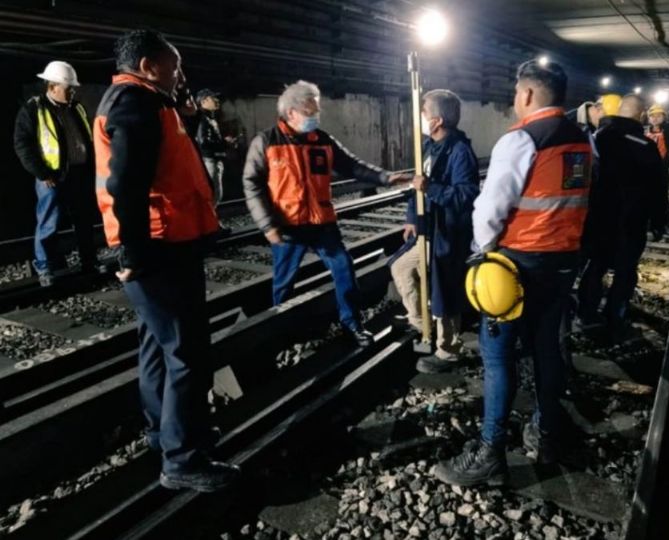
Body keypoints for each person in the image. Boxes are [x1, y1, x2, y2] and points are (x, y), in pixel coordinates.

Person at [433, 60, 592, 486]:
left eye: (515, 94)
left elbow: (488, 208)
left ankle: (490, 453)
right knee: (547, 349)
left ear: (527, 95)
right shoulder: (583, 141)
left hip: (517, 265)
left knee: (498, 357)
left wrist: (481, 252)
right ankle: (546, 435)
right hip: (562, 262)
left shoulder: (522, 139)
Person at [94, 29, 239, 492]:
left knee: (159, 348)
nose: (180, 75)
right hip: (159, 247)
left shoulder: (149, 102)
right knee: (187, 354)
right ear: (147, 65)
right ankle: (184, 459)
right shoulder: (133, 104)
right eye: (173, 65)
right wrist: (132, 251)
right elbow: (126, 185)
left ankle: (168, 435)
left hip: (167, 243)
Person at [243, 80, 411, 346]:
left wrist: (386, 177)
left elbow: (352, 166)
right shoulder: (266, 142)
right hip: (288, 227)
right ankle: (282, 337)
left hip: (321, 223)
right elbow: (251, 183)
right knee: (283, 284)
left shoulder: (322, 140)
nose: (315, 117)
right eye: (310, 112)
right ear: (291, 113)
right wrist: (267, 225)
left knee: (344, 269)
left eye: (316, 111)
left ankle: (352, 324)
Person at [388, 89, 480, 373]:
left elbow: (466, 196)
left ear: (437, 120)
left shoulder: (460, 152)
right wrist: (411, 217)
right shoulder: (429, 147)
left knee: (446, 288)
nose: (421, 117)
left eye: (424, 112)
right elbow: (416, 186)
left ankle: (448, 351)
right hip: (429, 230)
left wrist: (431, 188)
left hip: (448, 233)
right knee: (402, 268)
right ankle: (422, 322)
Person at [577, 95, 669, 339]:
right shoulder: (646, 147)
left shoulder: (597, 139)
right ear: (641, 116)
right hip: (632, 221)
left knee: (595, 265)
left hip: (597, 219)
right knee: (625, 271)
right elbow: (658, 189)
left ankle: (586, 313)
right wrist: (659, 221)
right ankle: (614, 318)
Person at [13, 60, 102, 285]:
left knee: (83, 220)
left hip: (79, 173)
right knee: (49, 221)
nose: (72, 91)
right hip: (51, 177)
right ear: (52, 87)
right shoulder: (33, 109)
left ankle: (88, 261)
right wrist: (42, 173)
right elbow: (22, 144)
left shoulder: (76, 107)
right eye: (68, 87)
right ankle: (45, 268)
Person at [195, 88, 232, 210]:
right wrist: (223, 142)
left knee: (215, 194)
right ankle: (210, 224)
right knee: (214, 194)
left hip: (214, 159)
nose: (217, 100)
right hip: (210, 160)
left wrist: (226, 144)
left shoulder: (210, 119)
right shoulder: (203, 119)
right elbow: (203, 142)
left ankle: (212, 223)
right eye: (213, 98)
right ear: (204, 101)